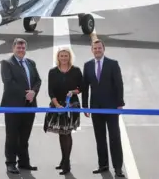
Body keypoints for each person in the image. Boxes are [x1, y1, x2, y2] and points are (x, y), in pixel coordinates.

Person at [81, 38, 125, 177]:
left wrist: (120, 103)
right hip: (96, 108)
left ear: (103, 49)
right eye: (95, 48)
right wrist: (85, 106)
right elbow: (85, 87)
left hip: (111, 107)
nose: (97, 50)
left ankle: (118, 168)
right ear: (92, 50)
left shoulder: (113, 64)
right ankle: (103, 165)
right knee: (99, 138)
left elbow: (119, 84)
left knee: (114, 138)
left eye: (99, 48)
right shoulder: (87, 65)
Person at [0, 38, 42, 174]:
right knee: (12, 136)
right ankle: (10, 163)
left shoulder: (30, 63)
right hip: (13, 106)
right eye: (18, 48)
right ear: (13, 48)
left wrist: (34, 92)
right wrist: (26, 94)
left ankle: (24, 162)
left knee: (24, 136)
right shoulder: (7, 63)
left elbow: (38, 80)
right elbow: (8, 82)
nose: (21, 50)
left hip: (29, 106)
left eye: (23, 48)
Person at [43, 47, 82, 175]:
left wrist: (73, 91)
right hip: (57, 105)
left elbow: (81, 87)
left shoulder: (76, 71)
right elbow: (51, 91)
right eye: (61, 56)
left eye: (66, 56)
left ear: (69, 57)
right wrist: (57, 104)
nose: (64, 58)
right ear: (58, 57)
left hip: (71, 106)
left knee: (67, 133)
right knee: (61, 133)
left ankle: (66, 164)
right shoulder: (52, 72)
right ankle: (64, 159)